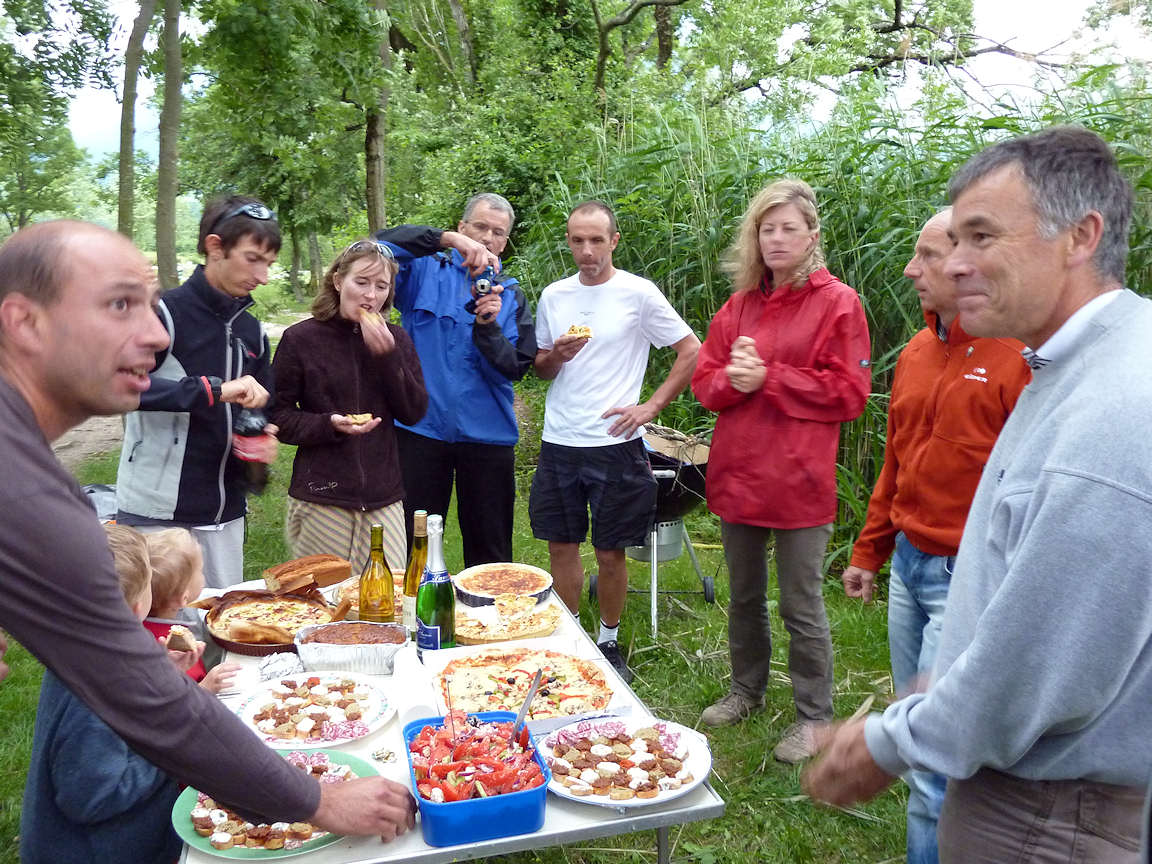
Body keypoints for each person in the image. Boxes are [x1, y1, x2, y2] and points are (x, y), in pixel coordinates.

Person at [0, 220, 415, 839]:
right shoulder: (29, 494)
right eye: (120, 305)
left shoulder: (33, 478)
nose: (151, 333)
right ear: (23, 321)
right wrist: (319, 802)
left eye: (148, 305)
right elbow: (147, 702)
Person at [804, 126, 1150, 863]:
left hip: (1048, 814)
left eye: (981, 236)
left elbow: (1038, 674)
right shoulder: (1075, 365)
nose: (954, 265)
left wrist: (888, 742)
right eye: (951, 239)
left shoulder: (1113, 412)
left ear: (1080, 236)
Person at [839, 209, 1030, 864]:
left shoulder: (1017, 360)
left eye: (923, 256)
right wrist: (871, 549)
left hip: (970, 579)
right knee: (917, 733)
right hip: (910, 569)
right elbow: (897, 457)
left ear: (968, 263)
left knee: (932, 759)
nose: (909, 269)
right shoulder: (919, 351)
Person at [691, 179, 871, 763]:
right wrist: (733, 381)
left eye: (788, 228)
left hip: (799, 479)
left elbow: (850, 392)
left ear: (812, 236)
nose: (776, 239)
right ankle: (747, 689)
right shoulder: (739, 305)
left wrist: (772, 378)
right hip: (740, 474)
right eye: (766, 229)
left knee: (800, 603)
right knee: (743, 595)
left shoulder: (838, 303)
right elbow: (706, 383)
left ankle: (815, 718)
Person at [531, 200, 700, 683]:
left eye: (596, 240)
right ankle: (566, 638)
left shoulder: (637, 294)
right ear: (568, 241)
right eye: (577, 240)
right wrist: (555, 356)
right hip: (560, 438)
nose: (587, 251)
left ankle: (607, 640)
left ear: (614, 241)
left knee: (610, 550)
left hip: (615, 442)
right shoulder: (554, 296)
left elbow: (690, 349)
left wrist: (650, 408)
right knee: (560, 545)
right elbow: (542, 368)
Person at [115, 195, 281, 588]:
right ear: (215, 247)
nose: (263, 276)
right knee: (156, 631)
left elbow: (262, 407)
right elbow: (121, 389)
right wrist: (215, 389)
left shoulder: (252, 331)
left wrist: (260, 432)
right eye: (253, 259)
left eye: (269, 264)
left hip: (224, 511)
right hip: (157, 511)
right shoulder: (163, 314)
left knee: (218, 625)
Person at [374, 194, 536, 567]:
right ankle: (412, 620)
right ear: (462, 228)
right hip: (420, 430)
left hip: (488, 438)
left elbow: (515, 368)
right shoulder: (423, 272)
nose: (487, 238)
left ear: (505, 242)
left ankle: (486, 620)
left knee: (490, 551)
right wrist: (445, 240)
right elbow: (378, 245)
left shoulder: (511, 296)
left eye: (498, 232)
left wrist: (487, 326)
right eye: (479, 227)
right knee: (411, 547)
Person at [21, 525, 183, 863]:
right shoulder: (97, 690)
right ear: (140, 606)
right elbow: (92, 799)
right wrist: (172, 752)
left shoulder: (80, 653)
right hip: (94, 851)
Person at [270, 239, 427, 571]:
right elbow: (276, 415)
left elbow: (413, 412)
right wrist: (328, 424)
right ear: (338, 281)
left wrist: (387, 357)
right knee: (325, 604)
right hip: (323, 494)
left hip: (384, 497)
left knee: (387, 602)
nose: (371, 295)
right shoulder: (301, 339)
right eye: (362, 282)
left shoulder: (396, 339)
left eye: (381, 286)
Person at [144, 528, 242, 694]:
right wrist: (206, 687)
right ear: (184, 599)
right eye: (200, 571)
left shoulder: (142, 628)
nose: (202, 576)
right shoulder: (169, 647)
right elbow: (174, 699)